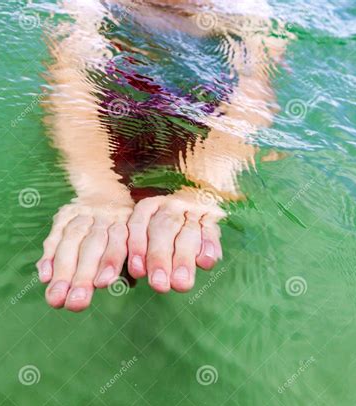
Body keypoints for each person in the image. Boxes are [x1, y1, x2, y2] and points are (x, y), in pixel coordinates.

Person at [36, 0, 288, 311]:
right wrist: (99, 189)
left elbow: (253, 91)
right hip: (122, 88)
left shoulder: (245, 9)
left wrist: (203, 187)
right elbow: (71, 74)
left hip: (202, 99)